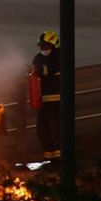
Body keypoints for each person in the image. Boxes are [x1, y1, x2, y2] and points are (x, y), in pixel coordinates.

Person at [30, 30, 61, 161]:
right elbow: (36, 74)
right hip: (43, 100)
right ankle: (49, 156)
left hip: (59, 100)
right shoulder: (38, 58)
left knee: (58, 129)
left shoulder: (60, 57)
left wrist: (36, 70)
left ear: (54, 46)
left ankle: (61, 158)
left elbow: (51, 69)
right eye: (42, 46)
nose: (43, 49)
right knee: (42, 129)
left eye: (46, 46)